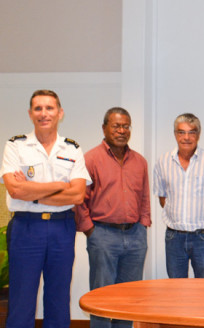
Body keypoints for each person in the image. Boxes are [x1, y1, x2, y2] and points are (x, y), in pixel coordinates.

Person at [1, 90, 91, 328]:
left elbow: (78, 194)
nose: (44, 114)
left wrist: (33, 192)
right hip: (26, 228)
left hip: (62, 227)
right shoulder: (15, 146)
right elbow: (15, 191)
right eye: (38, 108)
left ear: (60, 113)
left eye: (49, 108)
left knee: (59, 297)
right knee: (21, 299)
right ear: (30, 114)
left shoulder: (72, 149)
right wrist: (58, 186)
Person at [75, 107, 150, 328]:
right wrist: (91, 230)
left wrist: (144, 224)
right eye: (116, 126)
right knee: (101, 296)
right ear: (105, 128)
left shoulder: (139, 161)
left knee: (128, 297)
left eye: (126, 126)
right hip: (103, 235)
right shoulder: (90, 159)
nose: (121, 131)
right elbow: (80, 199)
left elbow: (144, 196)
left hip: (135, 235)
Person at [153, 113, 204, 278]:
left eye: (191, 132)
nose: (186, 137)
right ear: (175, 134)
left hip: (203, 237)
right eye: (181, 132)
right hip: (174, 237)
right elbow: (163, 198)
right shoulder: (163, 162)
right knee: (175, 289)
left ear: (198, 135)